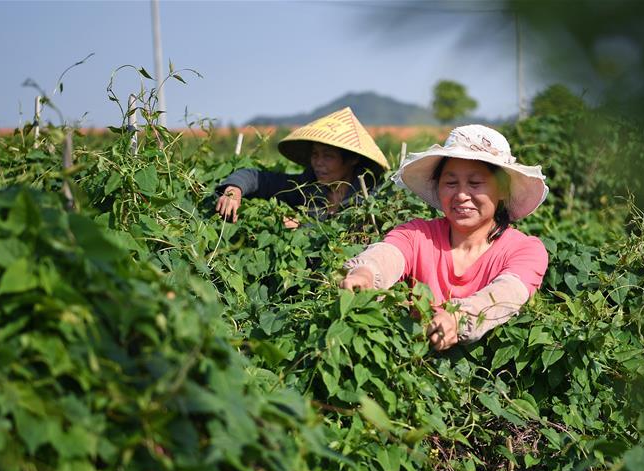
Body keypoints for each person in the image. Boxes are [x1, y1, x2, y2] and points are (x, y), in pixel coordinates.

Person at [339, 125, 549, 351]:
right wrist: (365, 274)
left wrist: (458, 318)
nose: (461, 195)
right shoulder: (417, 235)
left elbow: (507, 293)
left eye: (475, 183)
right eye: (451, 183)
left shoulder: (525, 250)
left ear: (503, 189)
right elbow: (388, 254)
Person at [214, 107, 389, 224]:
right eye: (315, 154)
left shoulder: (372, 197)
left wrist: (302, 228)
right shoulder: (307, 186)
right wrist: (233, 191)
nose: (318, 163)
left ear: (352, 160)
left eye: (328, 156)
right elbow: (257, 178)